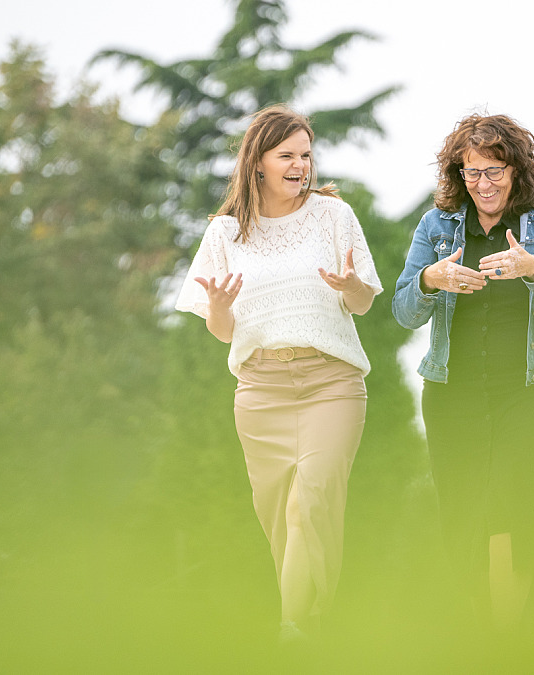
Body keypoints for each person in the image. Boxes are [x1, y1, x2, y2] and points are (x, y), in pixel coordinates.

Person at [175, 105, 381, 643]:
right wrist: (219, 305)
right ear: (257, 163)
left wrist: (348, 286)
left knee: (308, 500)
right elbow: (221, 330)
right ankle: (315, 621)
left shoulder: (334, 216)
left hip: (331, 383)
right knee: (278, 516)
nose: (300, 166)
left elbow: (362, 303)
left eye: (306, 156)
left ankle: (292, 628)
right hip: (261, 390)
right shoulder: (224, 233)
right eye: (286, 156)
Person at [393, 113, 534, 630]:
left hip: (532, 394)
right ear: (459, 174)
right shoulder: (437, 226)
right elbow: (403, 310)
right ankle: (478, 636)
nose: (484, 184)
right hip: (452, 395)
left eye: (495, 170)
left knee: (520, 510)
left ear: (516, 170)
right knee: (462, 517)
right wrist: (431, 279)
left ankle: (511, 634)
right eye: (472, 172)